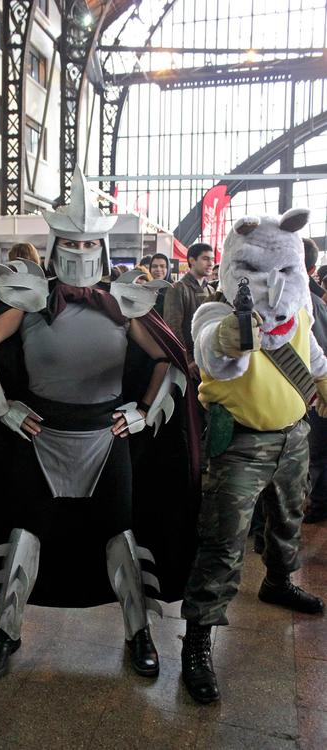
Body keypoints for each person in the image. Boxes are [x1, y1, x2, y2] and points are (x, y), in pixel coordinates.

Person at [0, 166, 201, 700]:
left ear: (101, 247)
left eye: (89, 242)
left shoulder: (125, 304)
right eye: (72, 242)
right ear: (57, 245)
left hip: (107, 440)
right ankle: (6, 633)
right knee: (24, 538)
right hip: (41, 440)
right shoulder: (29, 299)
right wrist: (4, 407)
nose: (81, 250)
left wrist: (142, 411)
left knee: (121, 539)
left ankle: (139, 632)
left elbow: (169, 361)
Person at [180, 210, 327, 705]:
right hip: (240, 445)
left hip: (293, 436)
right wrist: (233, 337)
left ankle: (279, 581)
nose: (275, 283)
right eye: (260, 272)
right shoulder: (214, 312)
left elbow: (313, 355)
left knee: (288, 519)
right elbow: (213, 355)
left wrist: (324, 381)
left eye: (285, 270)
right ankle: (198, 638)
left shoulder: (299, 310)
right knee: (223, 542)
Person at [163, 243, 214, 381]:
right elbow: (172, 327)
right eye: (205, 259)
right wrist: (187, 359)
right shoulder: (177, 288)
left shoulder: (211, 290)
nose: (210, 263)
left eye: (212, 259)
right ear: (192, 260)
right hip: (189, 364)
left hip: (208, 360)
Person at [303, 238, 327, 523]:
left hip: (312, 393)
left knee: (317, 453)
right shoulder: (317, 303)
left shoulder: (310, 305)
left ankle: (318, 505)